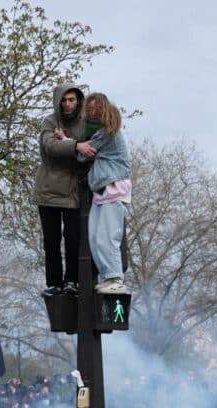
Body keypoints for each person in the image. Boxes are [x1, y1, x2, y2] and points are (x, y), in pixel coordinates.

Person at [32, 83, 90, 296]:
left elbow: (90, 150)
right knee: (51, 240)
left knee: (73, 237)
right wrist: (75, 146)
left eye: (72, 99)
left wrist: (67, 141)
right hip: (47, 190)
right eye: (64, 100)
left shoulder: (85, 124)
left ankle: (72, 281)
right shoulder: (50, 121)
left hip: (72, 190)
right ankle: (55, 282)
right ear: (58, 102)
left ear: (78, 100)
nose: (68, 104)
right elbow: (50, 147)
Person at [75, 92, 131, 294]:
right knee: (96, 238)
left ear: (103, 109)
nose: (91, 114)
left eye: (95, 110)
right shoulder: (101, 132)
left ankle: (116, 278)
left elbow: (84, 155)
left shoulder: (108, 132)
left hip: (113, 187)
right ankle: (108, 276)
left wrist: (67, 141)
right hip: (102, 189)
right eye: (88, 110)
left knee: (108, 236)